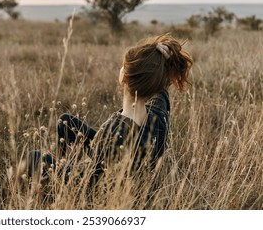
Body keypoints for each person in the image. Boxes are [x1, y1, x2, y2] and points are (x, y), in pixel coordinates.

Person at [25, 33, 193, 186]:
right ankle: (61, 159)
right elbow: (162, 86)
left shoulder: (113, 132)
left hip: (95, 182)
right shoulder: (159, 111)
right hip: (127, 162)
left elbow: (93, 180)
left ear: (125, 77)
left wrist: (68, 171)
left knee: (35, 156)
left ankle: (47, 187)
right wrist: (162, 60)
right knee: (65, 121)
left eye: (123, 66)